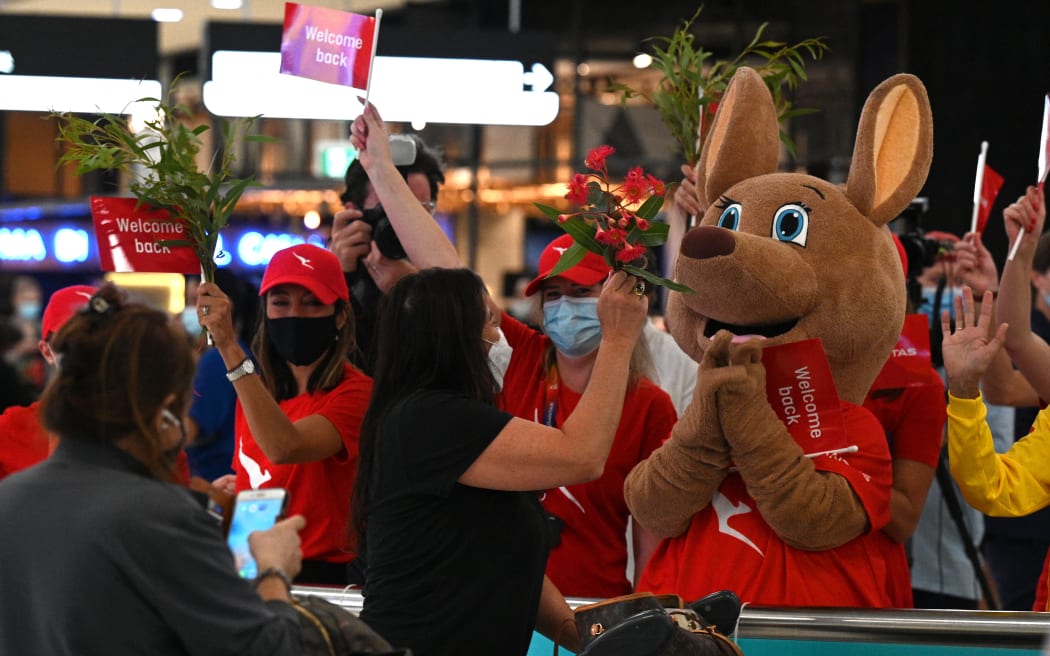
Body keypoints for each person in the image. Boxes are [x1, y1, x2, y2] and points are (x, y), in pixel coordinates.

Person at [347, 102, 677, 599]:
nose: (566, 306)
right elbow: (449, 271)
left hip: (594, 609)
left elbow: (652, 539)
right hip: (500, 605)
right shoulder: (519, 356)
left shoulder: (649, 404)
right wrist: (379, 168)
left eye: (582, 292)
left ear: (617, 295)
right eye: (554, 294)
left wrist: (637, 620)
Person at [352, 266, 649, 656]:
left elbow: (506, 559)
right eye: (491, 324)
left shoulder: (448, 422)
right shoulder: (430, 420)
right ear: (457, 339)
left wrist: (591, 639)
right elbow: (583, 456)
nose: (500, 337)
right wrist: (619, 339)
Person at [0, 284, 307, 655]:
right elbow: (269, 649)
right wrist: (274, 571)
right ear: (164, 405)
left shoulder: (9, 500)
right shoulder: (159, 514)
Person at [200, 243, 372, 586]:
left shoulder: (357, 393)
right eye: (281, 302)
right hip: (248, 569)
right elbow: (265, 477)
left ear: (340, 315)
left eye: (312, 303)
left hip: (322, 581)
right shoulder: (256, 395)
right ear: (265, 311)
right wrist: (232, 495)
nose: (295, 314)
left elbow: (286, 447)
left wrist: (229, 348)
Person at [329, 133, 445, 376]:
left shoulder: (451, 284)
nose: (406, 223)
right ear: (353, 212)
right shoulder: (330, 285)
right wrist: (335, 280)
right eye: (391, 209)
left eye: (418, 209)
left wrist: (419, 293)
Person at [0, 284, 96, 481]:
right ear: (46, 351)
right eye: (71, 340)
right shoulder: (12, 431)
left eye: (101, 338)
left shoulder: (149, 433)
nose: (88, 351)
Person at [184, 269, 258, 482]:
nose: (190, 310)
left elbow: (190, 429)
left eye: (194, 301)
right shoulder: (237, 353)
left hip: (216, 481)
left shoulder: (218, 360)